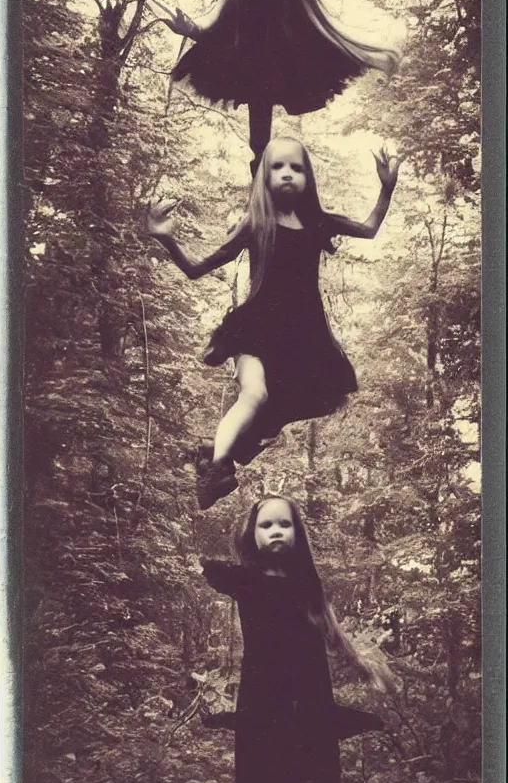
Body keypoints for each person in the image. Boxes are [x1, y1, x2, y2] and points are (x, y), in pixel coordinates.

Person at [146, 136, 400, 509]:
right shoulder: (257, 225)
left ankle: (216, 449)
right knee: (255, 395)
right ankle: (215, 470)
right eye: (277, 166)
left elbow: (369, 228)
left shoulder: (317, 223)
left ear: (308, 178)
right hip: (256, 327)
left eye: (296, 168)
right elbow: (197, 268)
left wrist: (386, 188)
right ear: (264, 176)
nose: (287, 174)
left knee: (309, 401)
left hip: (300, 336)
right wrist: (165, 238)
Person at [201, 496, 393, 783]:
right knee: (269, 763)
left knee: (309, 757)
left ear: (298, 533)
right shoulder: (244, 580)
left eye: (285, 524)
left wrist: (364, 664)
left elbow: (329, 626)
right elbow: (199, 565)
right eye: (266, 525)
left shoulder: (306, 580)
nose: (276, 531)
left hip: (308, 686)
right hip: (264, 687)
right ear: (252, 533)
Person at [154, 0, 400, 176]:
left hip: (287, 63)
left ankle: (264, 170)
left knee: (264, 112)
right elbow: (220, 30)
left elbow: (327, 33)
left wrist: (369, 54)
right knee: (258, 130)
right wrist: (190, 28)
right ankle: (259, 171)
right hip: (247, 64)